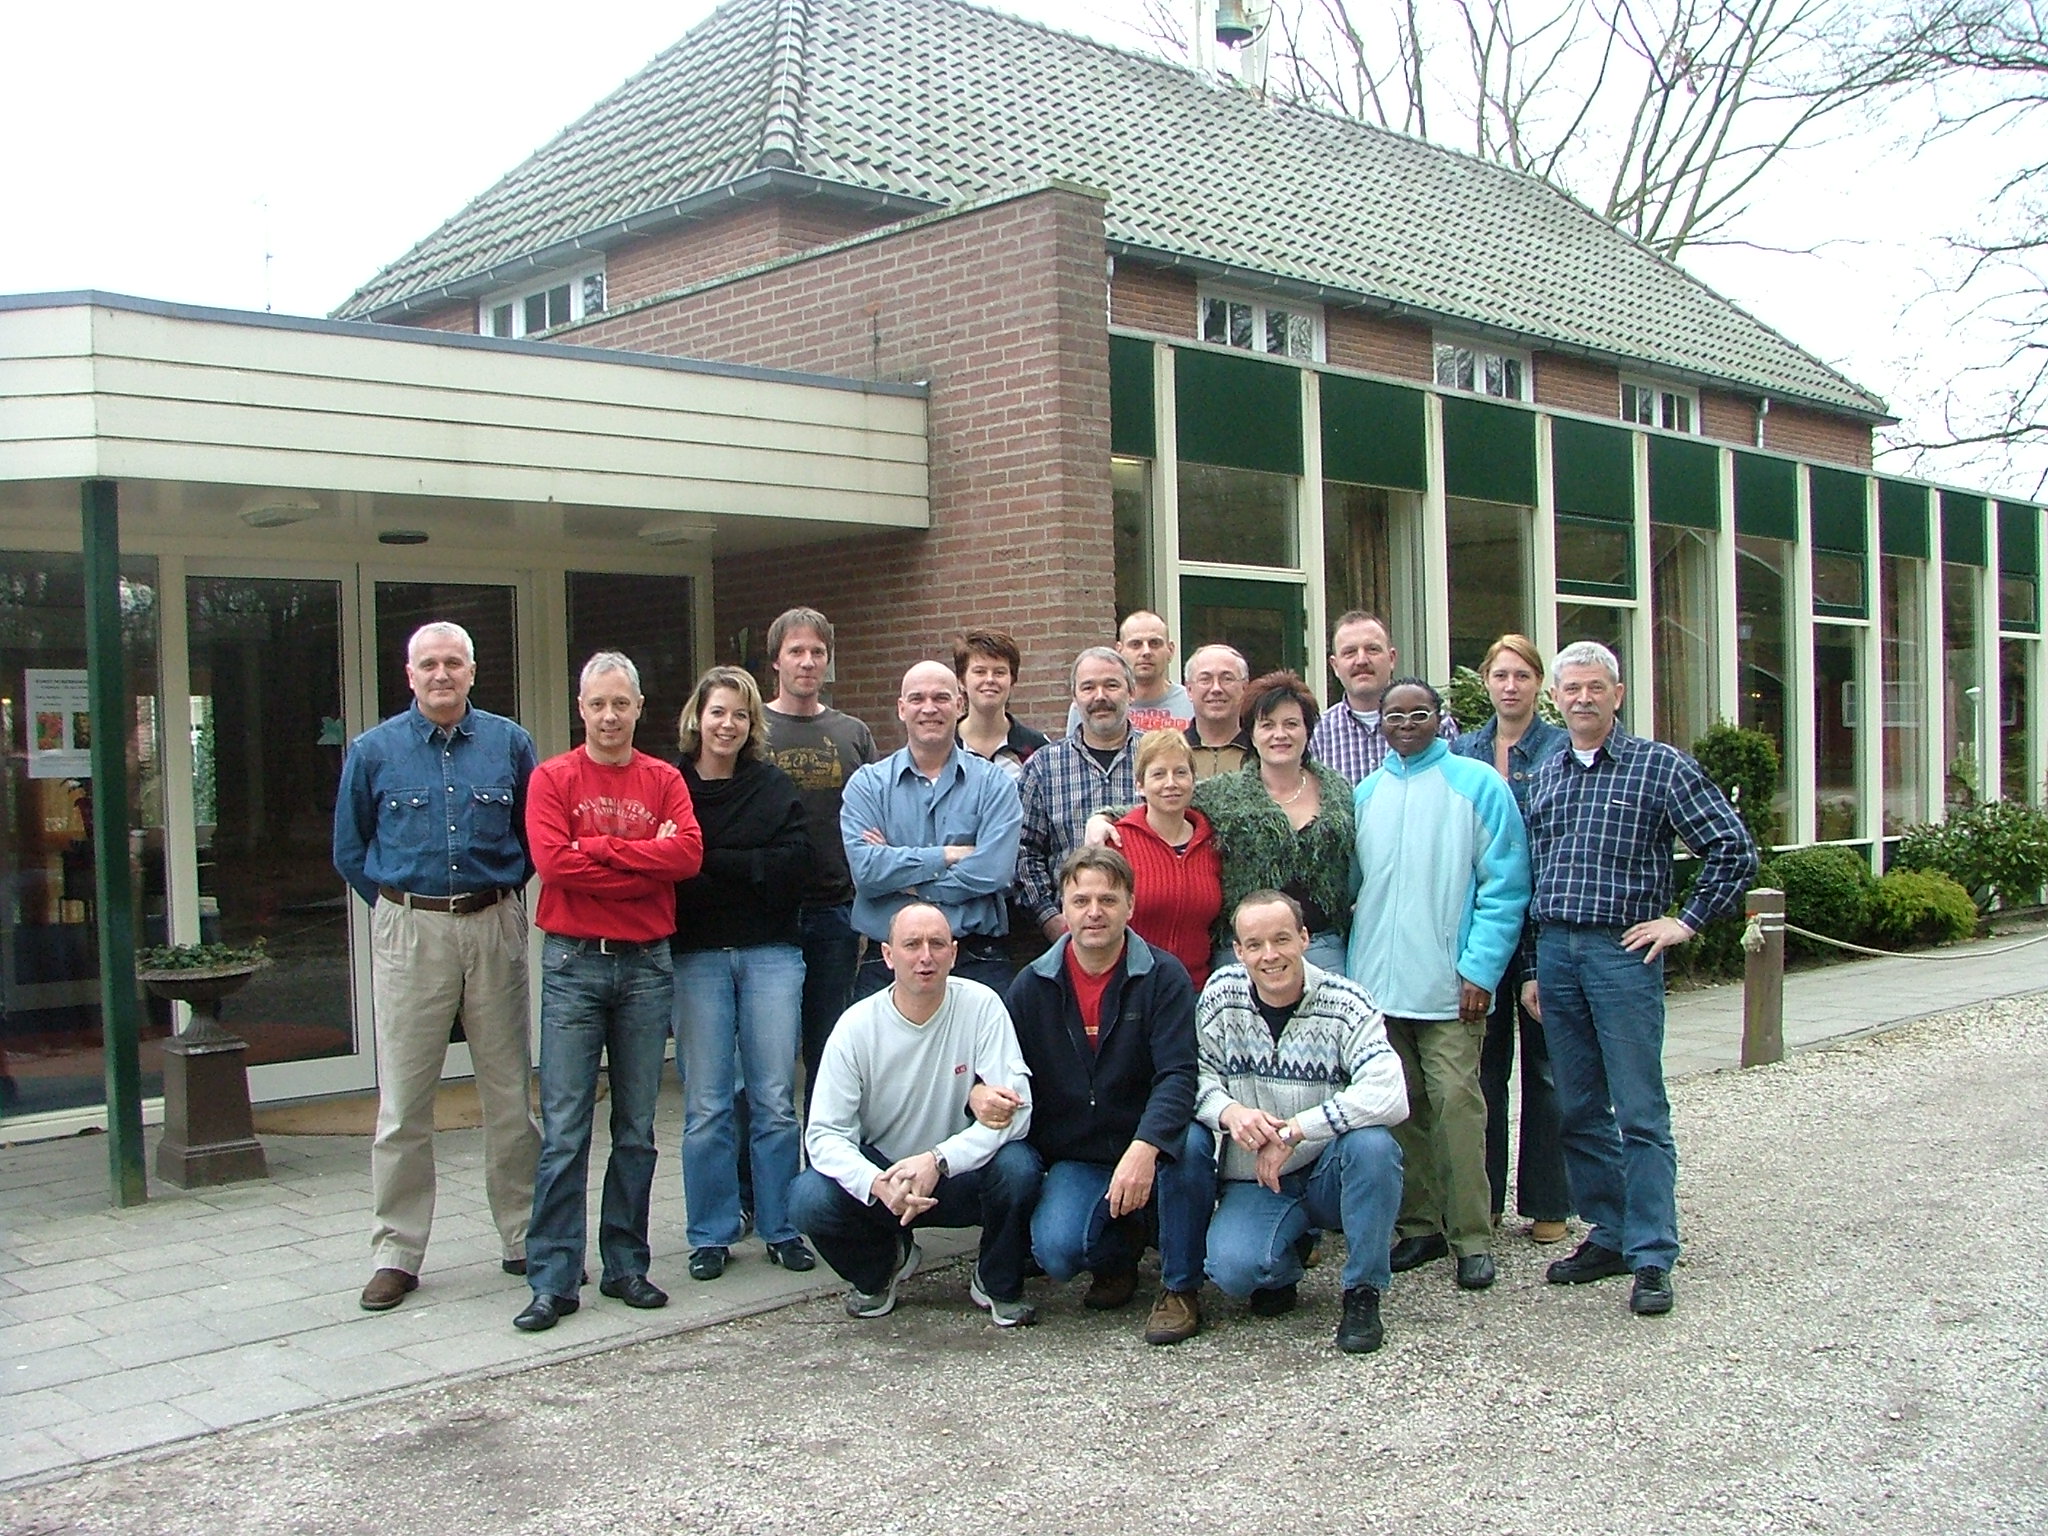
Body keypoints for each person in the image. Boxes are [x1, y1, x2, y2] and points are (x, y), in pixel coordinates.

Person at [1525, 640, 1757, 1318]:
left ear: (1617, 695)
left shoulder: (1661, 768)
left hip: (1623, 954)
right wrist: (1535, 969)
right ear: (1557, 698)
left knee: (1640, 1111)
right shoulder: (1545, 771)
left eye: (1595, 687)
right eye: (1570, 689)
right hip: (1559, 954)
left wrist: (1684, 921)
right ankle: (1611, 1230)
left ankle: (1653, 1252)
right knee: (1577, 1106)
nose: (1582, 699)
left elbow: (1732, 848)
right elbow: (1538, 876)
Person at [333, 621, 541, 1313]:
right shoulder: (373, 751)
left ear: (473, 672)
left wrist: (500, 901)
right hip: (411, 927)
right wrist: (400, 909)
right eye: (429, 664)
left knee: (509, 1093)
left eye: (454, 662)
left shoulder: (511, 745)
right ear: (409, 674)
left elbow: (531, 839)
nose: (441, 674)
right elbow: (350, 850)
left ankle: (523, 1234)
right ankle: (396, 1251)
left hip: (492, 924)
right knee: (403, 1104)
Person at [514, 652, 704, 1332]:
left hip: (646, 966)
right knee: (565, 1130)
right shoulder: (551, 778)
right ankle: (554, 1278)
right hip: (573, 967)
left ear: (639, 706)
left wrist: (595, 850)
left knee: (637, 1128)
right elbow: (551, 864)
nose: (609, 715)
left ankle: (627, 1264)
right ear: (581, 708)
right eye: (598, 704)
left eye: (621, 703)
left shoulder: (663, 778)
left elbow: (686, 857)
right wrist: (637, 859)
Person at [1350, 678, 1531, 1292]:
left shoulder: (1480, 786)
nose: (1405, 723)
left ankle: (1472, 1236)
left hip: (1451, 989)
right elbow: (1357, 891)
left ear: (1439, 719)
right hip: (1378, 988)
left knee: (1457, 1105)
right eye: (1393, 714)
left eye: (1418, 713)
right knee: (1402, 1112)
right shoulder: (1367, 793)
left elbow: (1505, 888)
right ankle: (1419, 1226)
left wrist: (1480, 968)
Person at [788, 902, 1040, 1325]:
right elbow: (824, 1135)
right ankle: (881, 1268)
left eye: (937, 944)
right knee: (807, 1198)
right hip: (886, 1179)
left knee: (1019, 1167)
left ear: (954, 953)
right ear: (887, 956)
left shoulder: (983, 1006)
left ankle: (996, 1281)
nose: (926, 956)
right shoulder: (855, 1027)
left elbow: (1019, 1110)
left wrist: (939, 1159)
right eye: (912, 944)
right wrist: (876, 1184)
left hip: (958, 1175)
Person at [995, 847, 1206, 1344]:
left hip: (1150, 1142)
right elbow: (1004, 1073)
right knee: (1057, 1252)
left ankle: (1181, 1288)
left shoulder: (1163, 975)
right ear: (1063, 909)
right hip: (1078, 1152)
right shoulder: (1032, 986)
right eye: (1081, 899)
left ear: (1131, 906)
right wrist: (982, 1096)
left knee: (1193, 1143)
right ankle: (1119, 1254)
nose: (1094, 912)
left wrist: (1147, 1144)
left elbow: (1179, 1074)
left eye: (1108, 899)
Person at [1185, 891, 1408, 1354]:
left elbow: (1389, 1092)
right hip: (1259, 1178)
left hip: (1330, 1169)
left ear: (1305, 939)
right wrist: (1231, 1112)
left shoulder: (1347, 1001)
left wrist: (1297, 1129)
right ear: (1239, 949)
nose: (1270, 956)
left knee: (1374, 1146)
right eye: (1255, 944)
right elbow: (1191, 1077)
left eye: (1282, 939)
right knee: (1233, 1270)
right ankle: (1284, 1260)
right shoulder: (1220, 995)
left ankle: (1363, 1292)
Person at [670, 666, 816, 1283]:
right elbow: (671, 869)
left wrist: (709, 861)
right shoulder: (668, 784)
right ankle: (711, 1232)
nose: (726, 725)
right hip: (696, 956)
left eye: (738, 714)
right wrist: (749, 865)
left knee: (776, 1101)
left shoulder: (773, 786)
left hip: (771, 955)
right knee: (706, 1105)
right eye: (717, 713)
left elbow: (795, 867)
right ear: (696, 719)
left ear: (751, 723)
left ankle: (783, 1225)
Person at [1089, 671, 1357, 975]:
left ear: (1307, 730)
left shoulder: (1338, 789)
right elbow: (1166, 799)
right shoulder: (1225, 793)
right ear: (1252, 734)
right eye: (1267, 725)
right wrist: (1103, 817)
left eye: (1291, 724)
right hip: (1243, 950)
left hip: (1322, 947)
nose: (1279, 734)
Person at [1451, 634, 1573, 1245]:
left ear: (1538, 684)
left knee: (1547, 1070)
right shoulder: (1463, 749)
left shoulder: (1559, 749)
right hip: (1483, 929)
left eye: (1522, 675)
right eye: (1500, 674)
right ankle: (1487, 1195)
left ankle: (1550, 1198)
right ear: (1486, 681)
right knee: (1482, 1068)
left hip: (1546, 925)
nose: (1510, 686)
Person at [842, 660, 1022, 999]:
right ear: (901, 708)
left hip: (975, 957)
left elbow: (994, 872)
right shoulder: (867, 786)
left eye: (941, 697)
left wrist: (904, 881)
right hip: (887, 962)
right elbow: (866, 873)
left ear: (959, 704)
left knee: (985, 1055)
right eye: (917, 698)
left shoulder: (995, 784)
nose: (929, 709)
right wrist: (945, 856)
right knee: (879, 1054)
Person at [757, 607, 877, 1111]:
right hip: (767, 916)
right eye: (796, 652)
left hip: (835, 911)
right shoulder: (752, 726)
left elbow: (875, 818)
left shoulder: (853, 733)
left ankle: (823, 1175)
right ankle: (762, 1184)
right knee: (768, 1062)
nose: (807, 663)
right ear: (776, 662)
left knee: (828, 1053)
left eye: (817, 653)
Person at [1018, 647, 1140, 943]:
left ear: (1131, 692)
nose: (1100, 696)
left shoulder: (1158, 759)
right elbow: (1024, 851)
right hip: (1070, 935)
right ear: (1075, 697)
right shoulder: (1044, 766)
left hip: (1149, 927)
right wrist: (1050, 917)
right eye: (1088, 687)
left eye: (1111, 685)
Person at [1112, 730, 1222, 990]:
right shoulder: (1117, 842)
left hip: (1196, 989)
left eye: (1180, 772)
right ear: (1140, 784)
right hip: (1133, 989)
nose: (1171, 783)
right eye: (1158, 774)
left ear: (1194, 780)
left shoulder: (1214, 843)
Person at [1309, 611, 1457, 785]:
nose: (1361, 660)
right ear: (1335, 666)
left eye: (1372, 649)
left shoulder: (1436, 723)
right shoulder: (1317, 733)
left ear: (1392, 658)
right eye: (1349, 652)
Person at [1065, 611, 1194, 734]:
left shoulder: (1192, 704)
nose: (1146, 652)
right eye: (1135, 644)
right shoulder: (1088, 706)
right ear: (1119, 651)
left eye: (1154, 643)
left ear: (1170, 650)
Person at [954, 628, 1049, 781]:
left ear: (1012, 681)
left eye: (999, 672)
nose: (990, 679)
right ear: (961, 681)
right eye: (980, 671)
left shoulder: (1037, 748)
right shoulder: (944, 748)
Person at [1182, 644, 1252, 779]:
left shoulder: (1261, 751)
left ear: (1244, 687)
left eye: (1227, 679)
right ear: (1189, 689)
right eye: (1205, 679)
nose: (1216, 689)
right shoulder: (1173, 751)